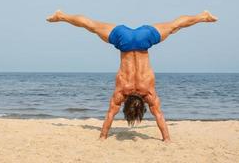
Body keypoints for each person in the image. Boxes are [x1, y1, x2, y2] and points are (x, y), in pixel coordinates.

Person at [46, 10, 218, 142]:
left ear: (142, 105)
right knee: (173, 26)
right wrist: (103, 136)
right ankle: (203, 16)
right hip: (124, 41)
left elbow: (158, 115)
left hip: (144, 40)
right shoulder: (123, 92)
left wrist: (167, 138)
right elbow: (110, 116)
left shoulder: (147, 93)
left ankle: (62, 16)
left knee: (173, 27)